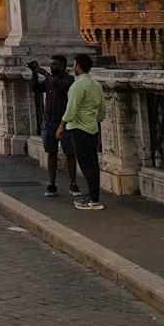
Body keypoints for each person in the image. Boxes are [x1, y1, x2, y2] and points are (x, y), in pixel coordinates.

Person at [57, 53, 107, 210]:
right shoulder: (96, 85)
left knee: (86, 165)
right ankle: (93, 196)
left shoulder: (77, 86)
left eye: (74, 64)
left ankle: (93, 198)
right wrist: (93, 120)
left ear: (78, 66)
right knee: (92, 164)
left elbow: (71, 109)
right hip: (92, 128)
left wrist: (61, 126)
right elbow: (102, 111)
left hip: (78, 128)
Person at [31, 56, 79, 198]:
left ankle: (73, 183)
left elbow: (60, 85)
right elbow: (37, 89)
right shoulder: (49, 80)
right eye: (51, 64)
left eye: (55, 64)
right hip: (48, 122)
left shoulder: (68, 80)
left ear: (63, 66)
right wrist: (34, 75)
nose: (52, 66)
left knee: (69, 153)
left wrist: (45, 73)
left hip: (63, 123)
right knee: (51, 153)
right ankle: (52, 183)